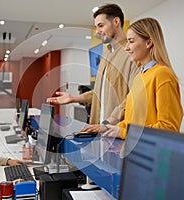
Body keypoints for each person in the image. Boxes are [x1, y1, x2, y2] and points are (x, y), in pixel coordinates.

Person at [47, 4, 139, 132]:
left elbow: (132, 98)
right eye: (96, 27)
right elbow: (99, 92)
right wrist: (73, 98)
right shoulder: (106, 53)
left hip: (116, 131)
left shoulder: (132, 54)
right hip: (98, 128)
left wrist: (107, 123)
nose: (97, 32)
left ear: (116, 22)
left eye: (101, 26)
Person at [101, 17, 184, 139]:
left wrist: (123, 132)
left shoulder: (162, 74)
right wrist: (113, 128)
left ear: (149, 43)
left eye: (131, 41)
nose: (126, 47)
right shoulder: (140, 77)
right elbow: (133, 121)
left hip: (153, 155)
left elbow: (169, 128)